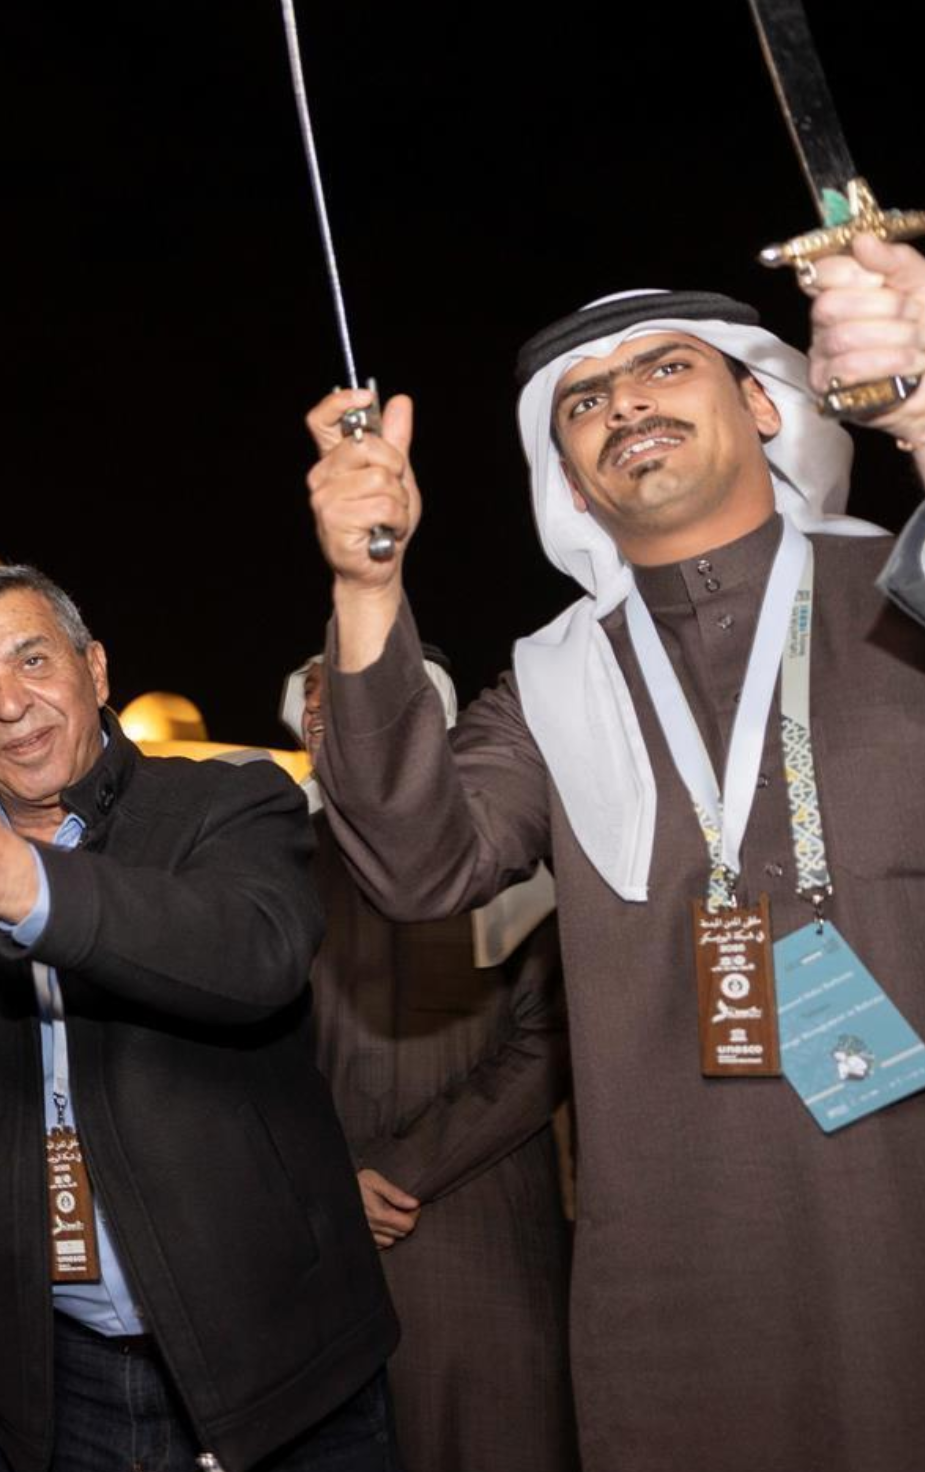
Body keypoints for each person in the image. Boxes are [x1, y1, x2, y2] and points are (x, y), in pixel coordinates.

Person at [302, 284, 925, 1467]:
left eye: (663, 368)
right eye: (582, 400)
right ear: (570, 480)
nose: (622, 401)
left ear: (762, 402)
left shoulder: (897, 592)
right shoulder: (552, 683)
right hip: (678, 1265)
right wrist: (365, 587)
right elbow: (415, 864)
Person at [0, 564, 396, 1472]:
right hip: (49, 1382)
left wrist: (19, 884)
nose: (7, 705)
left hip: (274, 1370)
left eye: (31, 661)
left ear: (95, 670)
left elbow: (255, 954)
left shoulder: (225, 802)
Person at [285, 656, 576, 1472]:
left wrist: (397, 1169)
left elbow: (550, 1037)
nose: (322, 716)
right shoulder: (275, 858)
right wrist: (325, 1174)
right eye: (313, 703)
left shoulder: (505, 842)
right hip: (319, 1238)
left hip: (475, 1231)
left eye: (346, 700)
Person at [803, 233, 925, 621]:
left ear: (761, 404)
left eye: (670, 369)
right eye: (603, 396)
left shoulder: (874, 572)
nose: (638, 402)